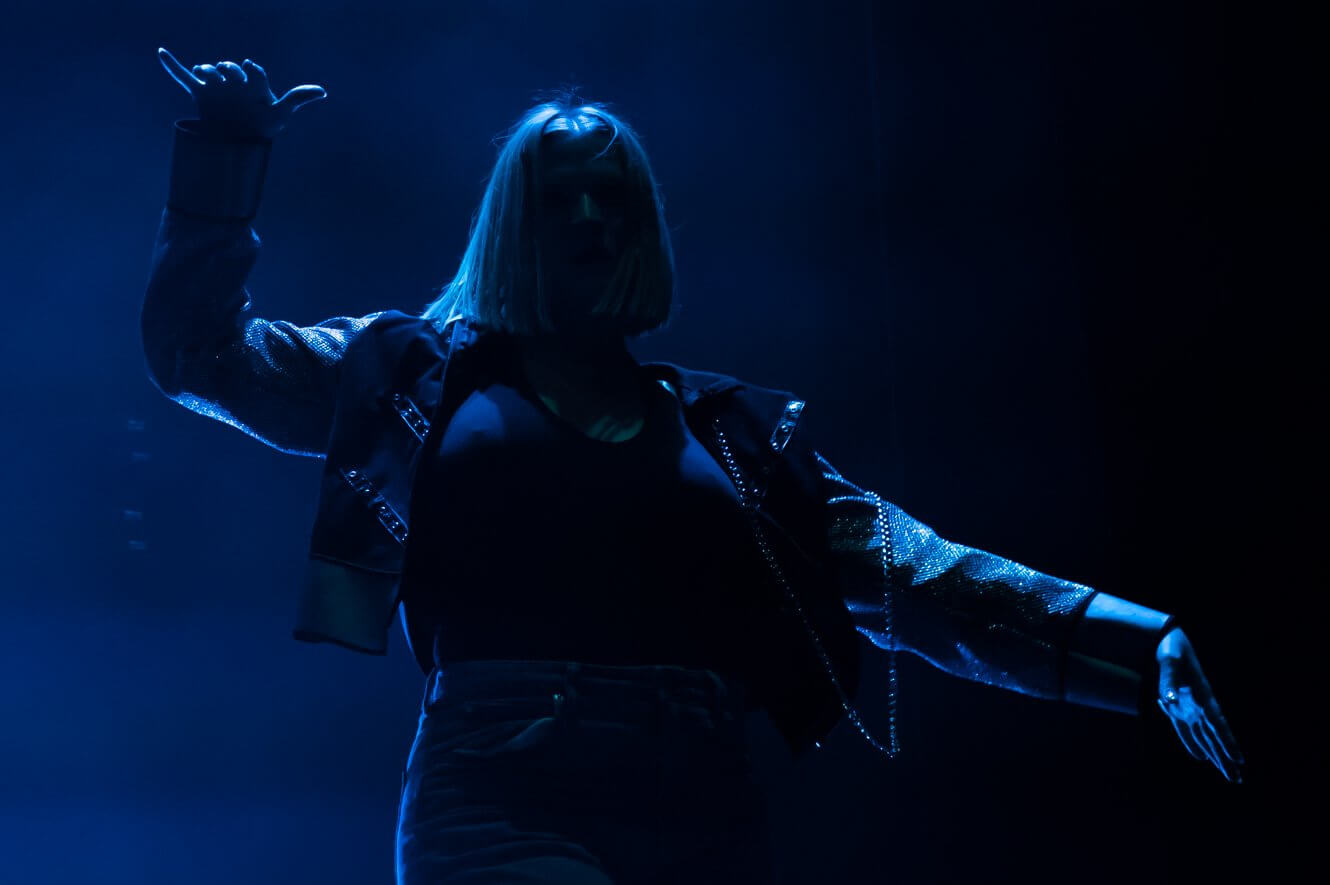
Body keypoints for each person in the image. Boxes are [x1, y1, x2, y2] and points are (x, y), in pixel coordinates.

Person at [142, 49, 1244, 885]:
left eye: (610, 196)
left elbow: (923, 576)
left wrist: (1133, 641)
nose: (586, 215)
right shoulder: (411, 373)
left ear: (644, 228)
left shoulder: (729, 435)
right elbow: (205, 356)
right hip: (501, 791)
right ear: (512, 224)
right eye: (558, 195)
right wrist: (223, 161)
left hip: (697, 800)